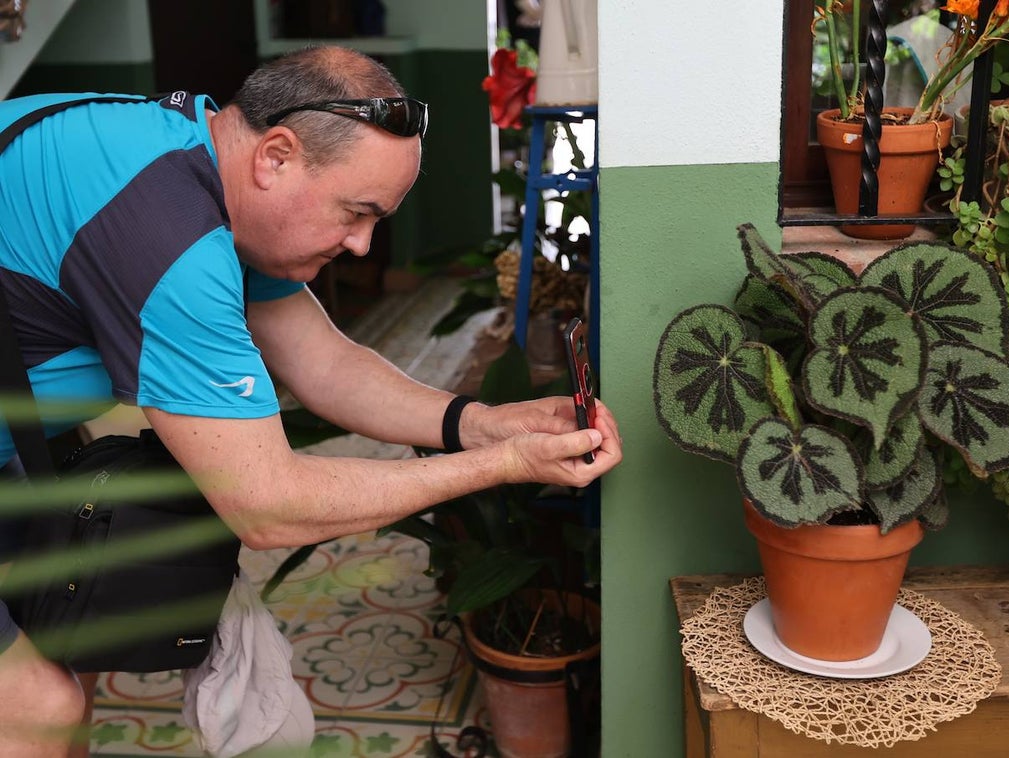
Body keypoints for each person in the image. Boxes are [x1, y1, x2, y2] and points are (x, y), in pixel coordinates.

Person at [0, 45, 622, 756]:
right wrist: (506, 463)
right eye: (356, 212)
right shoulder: (165, 232)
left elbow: (323, 362)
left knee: (58, 656)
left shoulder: (199, 170)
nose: (362, 245)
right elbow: (267, 504)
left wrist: (476, 424)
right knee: (35, 706)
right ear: (277, 156)